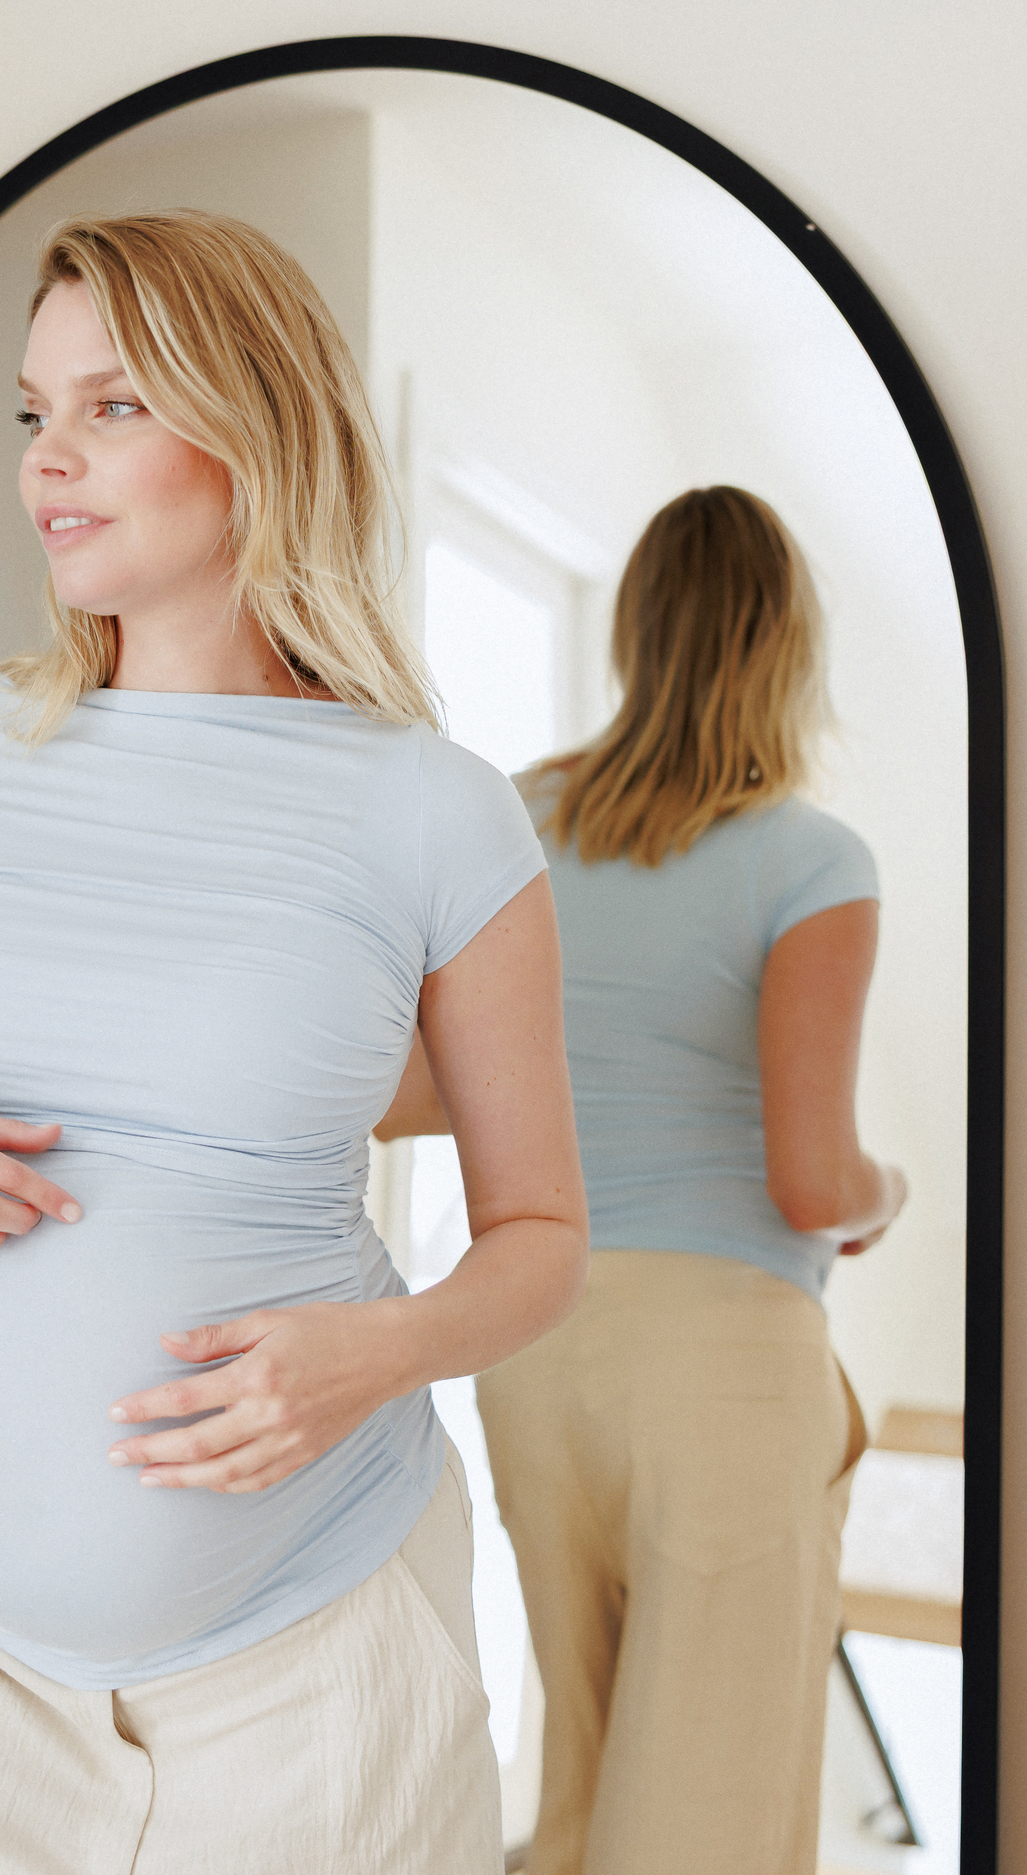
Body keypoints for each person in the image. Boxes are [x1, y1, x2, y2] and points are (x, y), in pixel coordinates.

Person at [0, 209, 588, 1875]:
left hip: (314, 1670)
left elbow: (545, 1238)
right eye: (33, 412)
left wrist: (378, 1351)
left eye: (113, 406)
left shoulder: (431, 811)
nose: (47, 460)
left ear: (257, 422)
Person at [376, 486, 906, 1875]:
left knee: (581, 1786)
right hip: (722, 1368)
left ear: (634, 632)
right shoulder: (813, 861)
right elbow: (810, 1178)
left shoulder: (524, 817)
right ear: (787, 648)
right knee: (707, 1822)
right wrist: (887, 1189)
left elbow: (421, 1089)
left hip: (536, 1345)